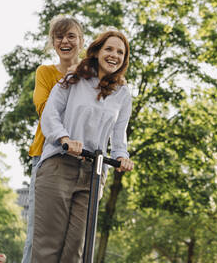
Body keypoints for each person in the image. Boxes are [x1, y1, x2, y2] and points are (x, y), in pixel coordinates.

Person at [31, 30, 134, 263]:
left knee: (76, 251)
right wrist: (65, 139)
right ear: (97, 51)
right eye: (109, 49)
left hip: (93, 174)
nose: (114, 55)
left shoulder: (123, 93)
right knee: (48, 247)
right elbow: (50, 115)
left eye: (120, 52)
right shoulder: (73, 79)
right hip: (59, 164)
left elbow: (119, 134)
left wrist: (121, 156)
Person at [21, 16, 84, 263]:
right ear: (53, 42)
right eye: (59, 36)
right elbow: (45, 109)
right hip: (48, 155)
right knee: (38, 237)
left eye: (71, 36)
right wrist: (69, 79)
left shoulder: (92, 77)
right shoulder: (45, 73)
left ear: (81, 41)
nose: (65, 41)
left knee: (73, 241)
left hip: (82, 161)